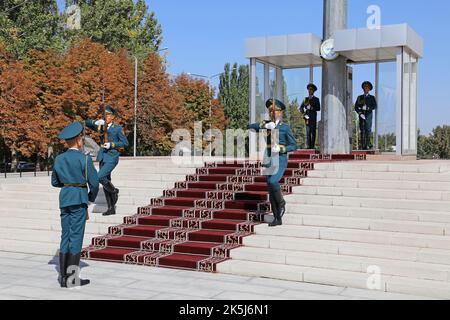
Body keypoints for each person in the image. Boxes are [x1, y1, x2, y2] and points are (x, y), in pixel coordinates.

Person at [52, 122, 99, 288]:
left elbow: (54, 182)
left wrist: (68, 185)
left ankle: (63, 278)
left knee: (65, 236)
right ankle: (72, 278)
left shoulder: (59, 159)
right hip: (79, 199)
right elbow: (94, 184)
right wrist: (89, 199)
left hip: (64, 199)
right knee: (76, 237)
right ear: (79, 140)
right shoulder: (84, 159)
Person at [248, 99, 298, 227]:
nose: (272, 113)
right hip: (268, 158)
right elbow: (251, 127)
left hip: (280, 158)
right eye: (270, 111)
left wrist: (283, 149)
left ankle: (281, 202)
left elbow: (294, 145)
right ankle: (277, 218)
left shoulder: (285, 127)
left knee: (273, 181)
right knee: (270, 188)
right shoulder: (267, 124)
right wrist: (263, 125)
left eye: (274, 111)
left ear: (280, 113)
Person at [85, 106, 129, 216]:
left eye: (109, 115)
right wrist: (95, 121)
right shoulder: (100, 127)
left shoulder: (117, 128)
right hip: (102, 156)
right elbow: (86, 122)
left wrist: (112, 144)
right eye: (105, 115)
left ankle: (114, 191)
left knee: (100, 177)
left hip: (112, 157)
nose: (106, 117)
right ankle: (111, 208)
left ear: (113, 117)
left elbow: (125, 143)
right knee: (106, 181)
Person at [355, 81, 377, 150]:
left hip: (368, 115)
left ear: (369, 89)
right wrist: (360, 113)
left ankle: (368, 144)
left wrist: (368, 108)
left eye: (367, 88)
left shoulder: (372, 97)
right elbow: (356, 107)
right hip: (362, 116)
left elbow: (375, 106)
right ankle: (363, 145)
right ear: (363, 89)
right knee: (362, 130)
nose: (366, 89)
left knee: (368, 130)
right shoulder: (360, 97)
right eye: (365, 87)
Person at [299, 84, 321, 150]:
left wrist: (311, 108)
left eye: (311, 90)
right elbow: (301, 107)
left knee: (313, 132)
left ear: (313, 91)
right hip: (307, 117)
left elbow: (318, 108)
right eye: (309, 90)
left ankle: (312, 146)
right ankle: (308, 146)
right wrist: (303, 114)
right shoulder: (306, 99)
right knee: (308, 132)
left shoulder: (316, 99)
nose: (309, 91)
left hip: (313, 117)